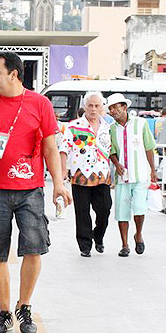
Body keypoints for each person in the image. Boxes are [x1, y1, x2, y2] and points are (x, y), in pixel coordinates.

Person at [0, 52, 72, 333]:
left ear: (14, 74)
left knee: (34, 248)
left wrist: (58, 183)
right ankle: (4, 312)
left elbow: (50, 147)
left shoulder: (40, 104)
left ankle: (25, 306)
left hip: (30, 189)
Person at [59, 91, 112, 257]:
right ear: (85, 107)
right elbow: (63, 149)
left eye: (97, 106)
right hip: (80, 175)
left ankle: (98, 236)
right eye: (90, 105)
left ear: (102, 107)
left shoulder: (107, 127)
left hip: (102, 175)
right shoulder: (73, 126)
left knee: (105, 209)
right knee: (82, 212)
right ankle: (85, 245)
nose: (94, 109)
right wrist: (62, 171)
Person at [107, 93, 157, 257]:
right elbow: (112, 151)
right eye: (110, 108)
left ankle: (138, 234)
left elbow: (149, 148)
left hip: (141, 174)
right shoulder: (112, 129)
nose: (113, 111)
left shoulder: (141, 124)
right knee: (122, 211)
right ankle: (125, 244)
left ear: (124, 107)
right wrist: (117, 165)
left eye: (115, 107)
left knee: (139, 209)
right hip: (123, 177)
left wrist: (153, 170)